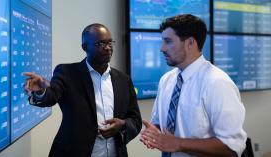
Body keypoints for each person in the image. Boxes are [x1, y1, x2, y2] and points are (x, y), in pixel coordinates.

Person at [23, 23, 142, 157]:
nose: (108, 48)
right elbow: (51, 96)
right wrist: (40, 91)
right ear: (85, 47)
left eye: (110, 42)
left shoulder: (124, 80)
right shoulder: (67, 73)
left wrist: (123, 125)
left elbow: (135, 120)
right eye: (101, 44)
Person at [140, 14, 247, 157]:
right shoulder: (166, 80)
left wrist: (178, 143)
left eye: (168, 41)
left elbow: (232, 147)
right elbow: (160, 125)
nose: (162, 48)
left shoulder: (217, 83)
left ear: (190, 43)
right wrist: (154, 132)